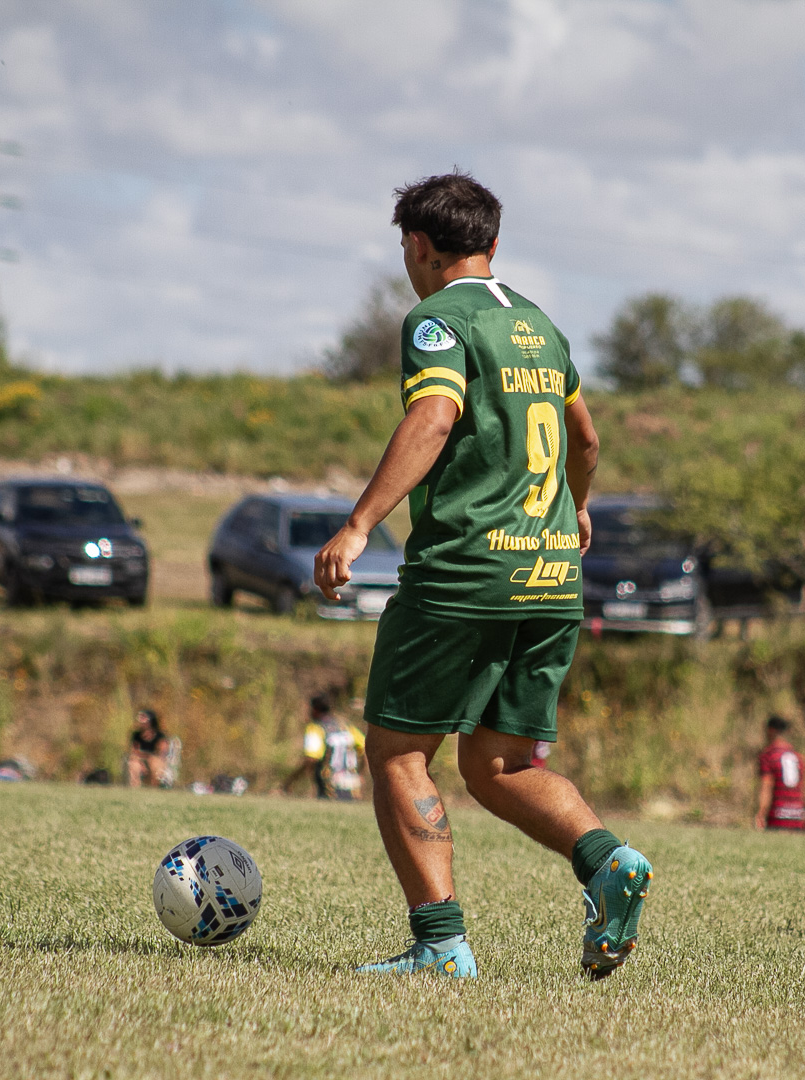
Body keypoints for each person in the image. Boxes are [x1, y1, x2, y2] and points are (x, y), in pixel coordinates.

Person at [314, 172, 652, 981]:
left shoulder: (437, 320)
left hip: (468, 569)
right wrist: (577, 507)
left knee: (399, 751)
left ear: (418, 247)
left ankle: (440, 944)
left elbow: (434, 416)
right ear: (493, 244)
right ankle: (608, 860)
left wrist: (359, 525)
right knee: (500, 765)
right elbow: (586, 439)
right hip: (552, 577)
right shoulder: (539, 326)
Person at [283, 694, 366, 800]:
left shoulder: (316, 728)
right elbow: (366, 750)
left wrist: (291, 781)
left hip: (329, 789)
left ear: (315, 709)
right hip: (352, 789)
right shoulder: (346, 728)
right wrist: (360, 775)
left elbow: (311, 759)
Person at [754, 716, 805, 831]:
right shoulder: (799, 757)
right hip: (797, 816)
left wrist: (761, 813)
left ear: (770, 730)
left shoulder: (768, 755)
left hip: (777, 817)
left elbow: (766, 786)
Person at [126, 709, 169, 788]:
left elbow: (162, 752)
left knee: (157, 765)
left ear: (150, 721)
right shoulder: (136, 735)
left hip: (154, 759)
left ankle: (154, 788)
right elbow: (134, 751)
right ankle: (135, 788)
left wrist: (150, 759)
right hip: (140, 759)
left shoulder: (160, 736)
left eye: (143, 718)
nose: (140, 721)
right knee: (134, 764)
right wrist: (142, 762)